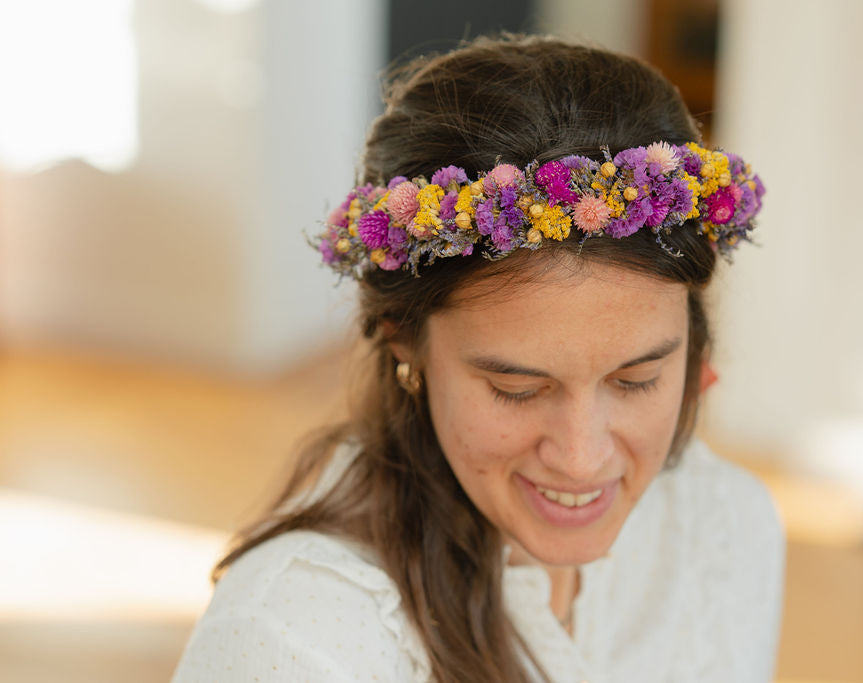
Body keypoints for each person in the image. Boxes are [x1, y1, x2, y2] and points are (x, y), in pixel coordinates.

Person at [173, 34, 783, 683]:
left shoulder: (728, 524)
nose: (581, 457)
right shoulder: (298, 637)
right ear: (404, 341)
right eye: (516, 388)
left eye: (637, 380)